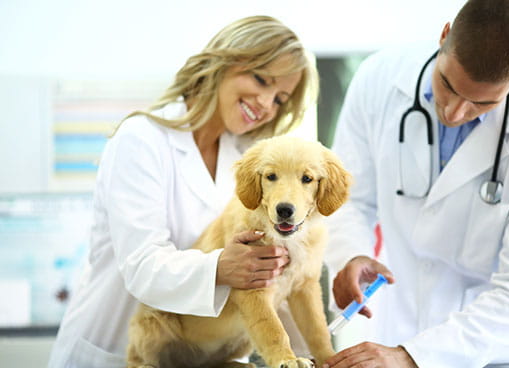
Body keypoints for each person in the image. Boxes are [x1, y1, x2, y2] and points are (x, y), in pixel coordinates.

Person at [47, 15, 318, 368]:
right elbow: (142, 265)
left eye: (280, 98)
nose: (267, 103)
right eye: (261, 79)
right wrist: (221, 267)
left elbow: (270, 282)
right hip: (114, 349)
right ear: (223, 61)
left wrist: (312, 354)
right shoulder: (142, 140)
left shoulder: (253, 162)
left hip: (202, 355)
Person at [323, 1, 509, 367]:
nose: (454, 112)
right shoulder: (379, 78)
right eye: (448, 85)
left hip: (496, 354)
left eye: (481, 103)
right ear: (444, 35)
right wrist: (351, 254)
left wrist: (415, 356)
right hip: (395, 328)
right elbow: (349, 198)